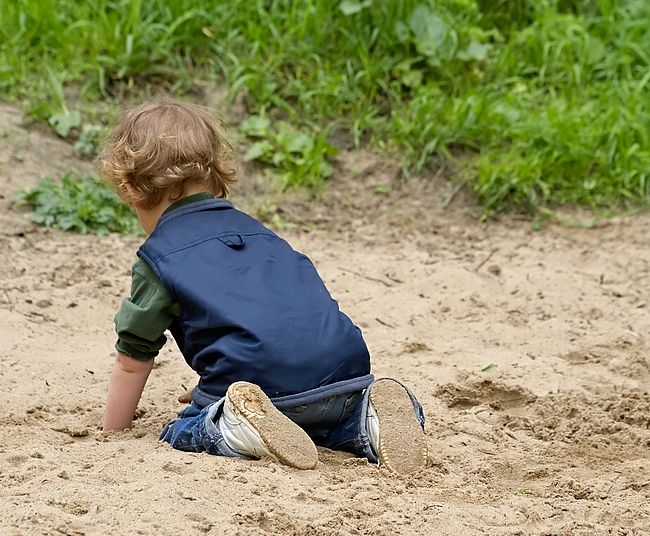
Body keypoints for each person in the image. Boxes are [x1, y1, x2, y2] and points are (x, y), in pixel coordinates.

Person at [96, 98, 427, 476]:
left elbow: (132, 357)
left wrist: (113, 432)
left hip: (268, 385)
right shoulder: (261, 235)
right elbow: (269, 319)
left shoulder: (160, 257)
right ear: (216, 172)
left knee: (182, 429)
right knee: (335, 422)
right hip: (344, 376)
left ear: (129, 188)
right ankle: (368, 419)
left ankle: (238, 423)